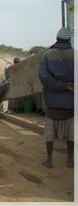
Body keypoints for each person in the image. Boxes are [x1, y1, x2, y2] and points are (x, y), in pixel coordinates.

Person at [38, 27, 74, 168]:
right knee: (72, 134)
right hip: (72, 102)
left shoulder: (47, 55)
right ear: (69, 40)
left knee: (50, 134)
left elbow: (44, 77)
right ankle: (70, 159)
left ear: (57, 39)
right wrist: (69, 86)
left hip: (53, 101)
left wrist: (61, 85)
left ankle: (49, 159)